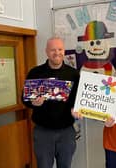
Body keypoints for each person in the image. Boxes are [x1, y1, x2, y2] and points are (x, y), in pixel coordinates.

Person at [22, 37, 80, 168]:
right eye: (53, 50)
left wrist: (77, 110)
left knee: (65, 165)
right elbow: (24, 99)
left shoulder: (74, 74)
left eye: (60, 49)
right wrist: (33, 103)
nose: (57, 53)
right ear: (47, 52)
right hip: (43, 132)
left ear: (64, 51)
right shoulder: (35, 73)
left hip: (67, 132)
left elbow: (78, 99)